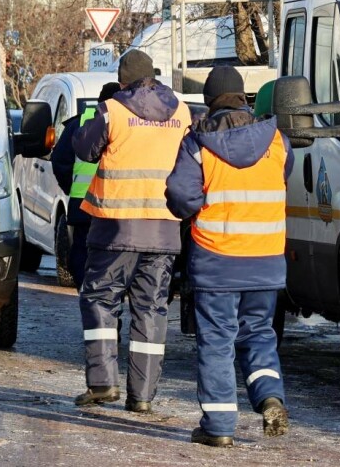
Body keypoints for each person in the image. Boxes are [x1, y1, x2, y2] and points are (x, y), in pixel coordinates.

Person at [167, 66, 292, 447]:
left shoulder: (199, 142)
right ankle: (269, 395)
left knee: (217, 341)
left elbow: (181, 197)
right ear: (243, 98)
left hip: (217, 260)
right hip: (267, 258)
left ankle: (219, 428)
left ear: (209, 102)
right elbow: (282, 179)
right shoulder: (276, 140)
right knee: (258, 334)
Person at [72, 50, 189, 414]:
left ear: (123, 80)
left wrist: (100, 109)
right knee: (151, 309)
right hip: (165, 229)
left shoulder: (113, 109)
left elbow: (83, 149)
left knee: (100, 299)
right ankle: (142, 397)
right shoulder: (181, 111)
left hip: (115, 227)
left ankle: (103, 383)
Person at [51, 81, 120, 287]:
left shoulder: (80, 123)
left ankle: (90, 295)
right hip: (115, 207)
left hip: (83, 204)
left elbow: (60, 161)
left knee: (81, 257)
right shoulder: (126, 124)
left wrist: (71, 189)